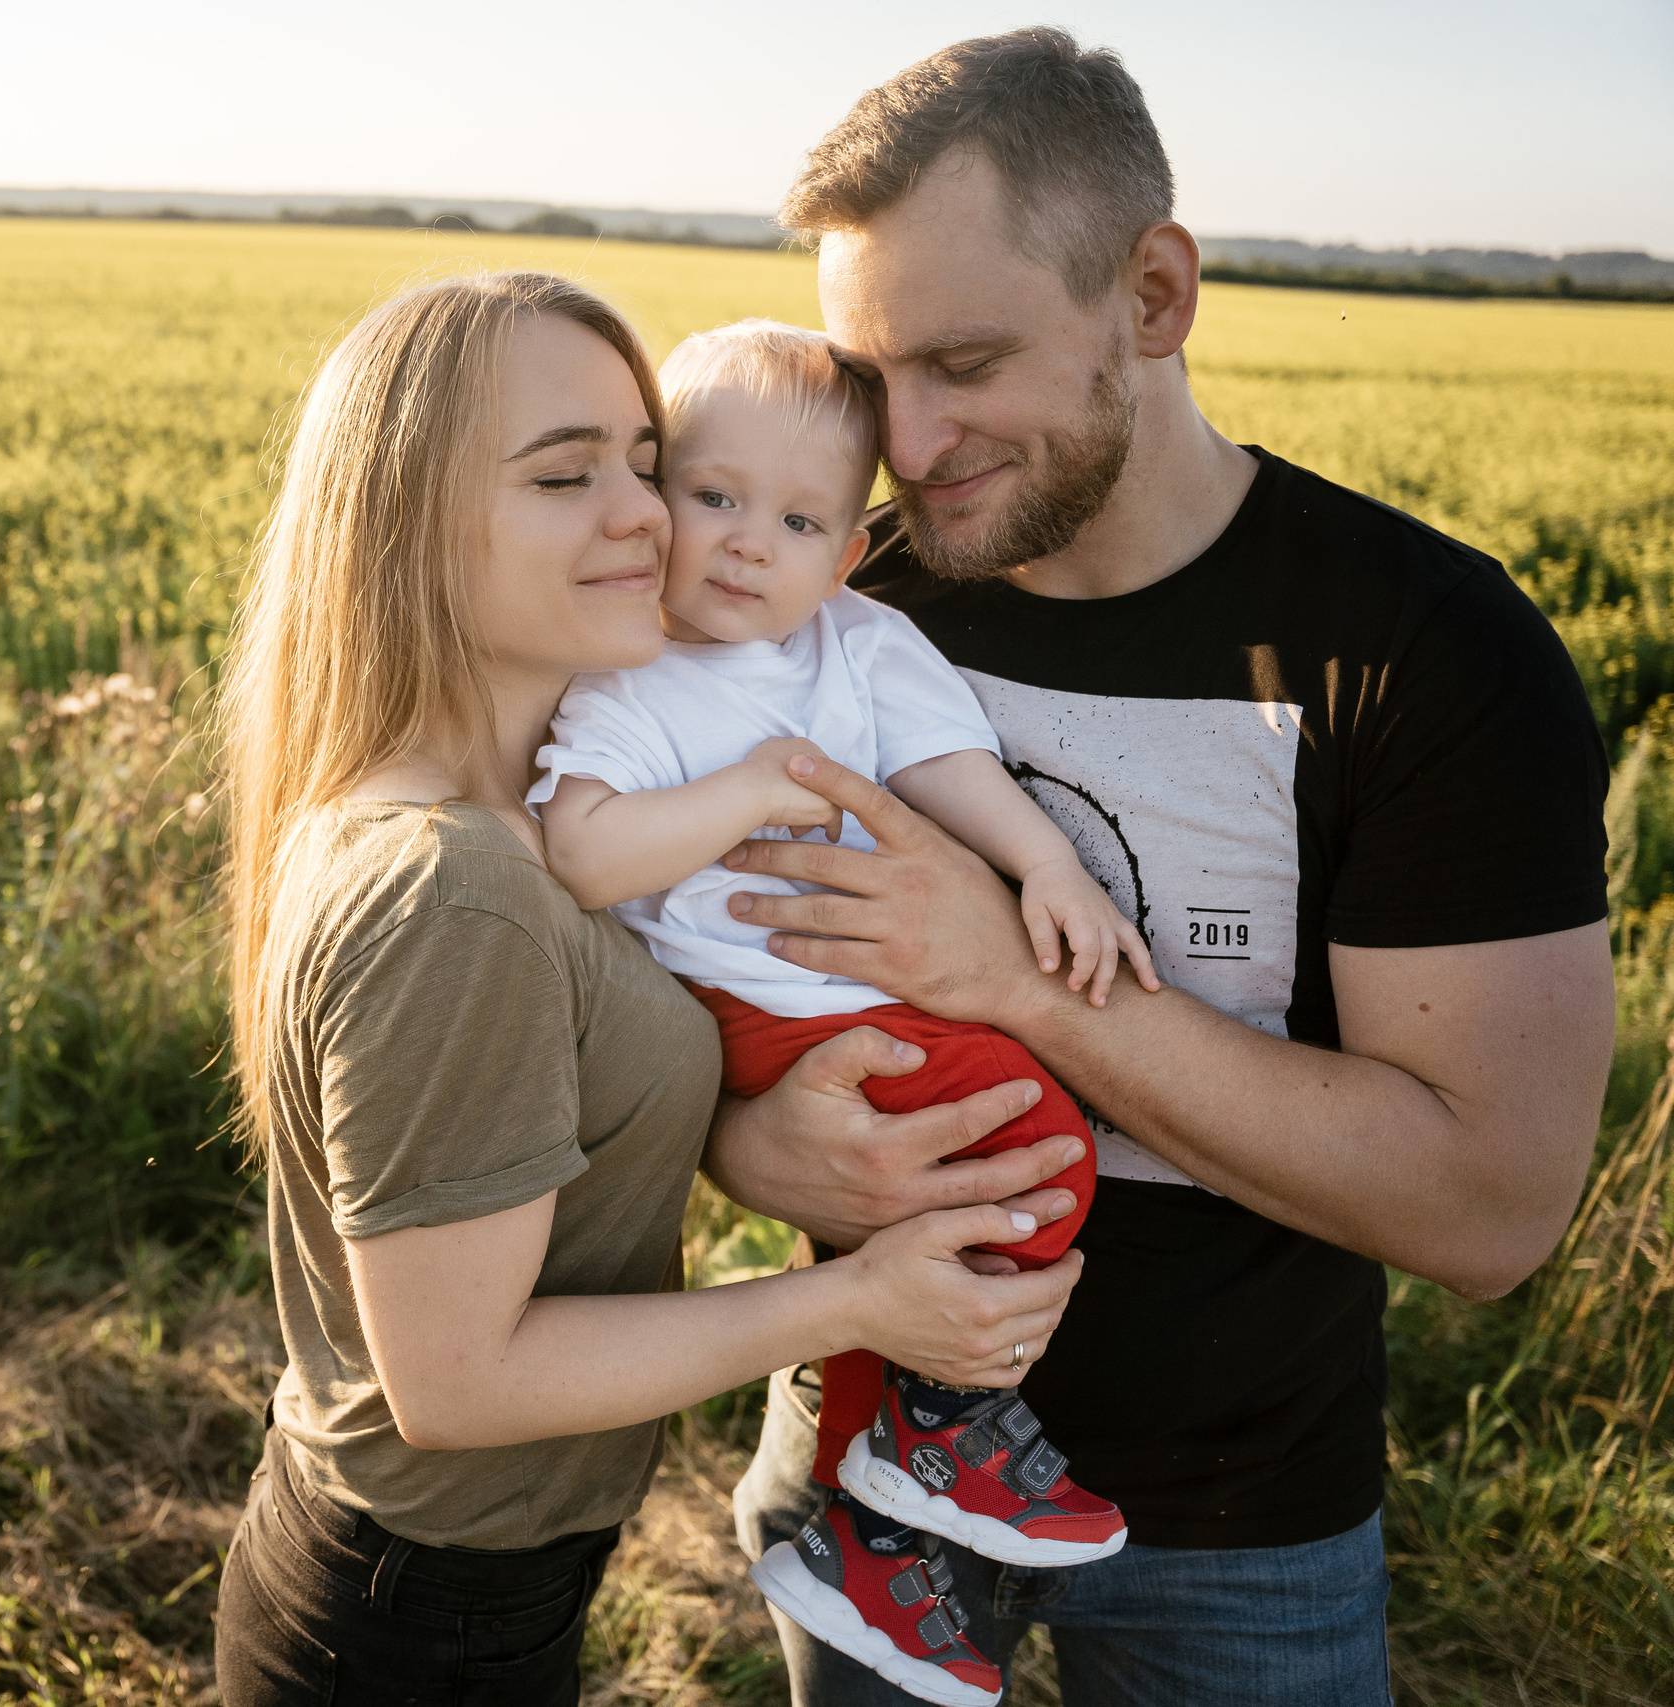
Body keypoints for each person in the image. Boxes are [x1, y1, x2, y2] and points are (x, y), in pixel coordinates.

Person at [704, 28, 1615, 1707]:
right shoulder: (824, 593)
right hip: (863, 1452)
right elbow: (672, 963)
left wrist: (1002, 974)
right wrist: (751, 1146)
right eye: (868, 376)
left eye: (965, 362)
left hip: (1241, 1533)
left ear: (1156, 295)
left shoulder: (1424, 652)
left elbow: (1493, 1209)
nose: (905, 441)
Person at [210, 270, 1084, 1707]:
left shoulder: (529, 799)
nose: (647, 517)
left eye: (644, 462)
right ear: (411, 520)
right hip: (414, 1623)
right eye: (568, 475)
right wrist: (857, 1302)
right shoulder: (457, 886)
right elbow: (460, 1385)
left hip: (470, 1584)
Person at [526, 319, 1145, 1704]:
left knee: (953, 1202)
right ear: (652, 492)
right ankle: (931, 1443)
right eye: (714, 497)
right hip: (757, 1007)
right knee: (1031, 1144)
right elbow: (582, 851)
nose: (749, 544)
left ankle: (876, 1525)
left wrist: (1045, 860)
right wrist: (749, 789)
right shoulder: (631, 670)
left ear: (849, 556)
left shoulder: (857, 644)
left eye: (799, 520)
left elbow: (946, 763)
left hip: (856, 1001)